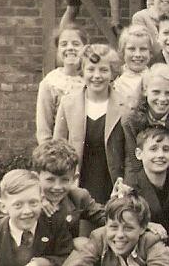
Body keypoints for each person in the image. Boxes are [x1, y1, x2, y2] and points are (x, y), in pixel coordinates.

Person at [53, 44, 126, 204]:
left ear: (112, 73)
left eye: (103, 70)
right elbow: (57, 148)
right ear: (82, 71)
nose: (97, 75)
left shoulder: (125, 105)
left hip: (113, 184)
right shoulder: (68, 103)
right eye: (91, 69)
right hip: (79, 183)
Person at [121, 64, 169, 183]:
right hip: (139, 173)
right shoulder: (131, 119)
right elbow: (132, 158)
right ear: (145, 91)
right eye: (156, 92)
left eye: (168, 93)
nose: (162, 99)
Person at [127, 127, 169, 256]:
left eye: (166, 149)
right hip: (143, 253)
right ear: (139, 154)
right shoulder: (131, 187)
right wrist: (146, 224)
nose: (160, 155)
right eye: (153, 149)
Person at [31, 139, 105, 246]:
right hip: (33, 257)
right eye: (50, 180)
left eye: (65, 180)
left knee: (82, 243)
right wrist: (34, 201)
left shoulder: (78, 197)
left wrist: (117, 203)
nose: (57, 187)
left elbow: (107, 218)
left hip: (65, 255)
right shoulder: (26, 197)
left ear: (74, 178)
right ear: (36, 177)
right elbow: (0, 224)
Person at [36, 24, 88, 144]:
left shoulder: (92, 79)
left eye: (76, 44)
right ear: (58, 49)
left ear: (84, 48)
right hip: (61, 151)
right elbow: (44, 128)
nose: (70, 48)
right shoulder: (50, 83)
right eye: (64, 44)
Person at [113, 25, 153, 111]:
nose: (137, 54)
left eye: (143, 49)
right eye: (131, 49)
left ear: (150, 52)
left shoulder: (155, 77)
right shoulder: (115, 78)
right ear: (123, 51)